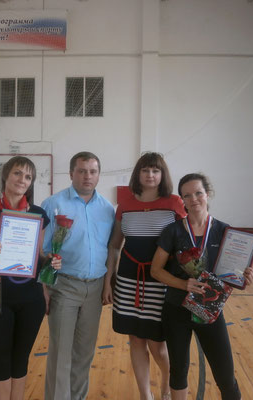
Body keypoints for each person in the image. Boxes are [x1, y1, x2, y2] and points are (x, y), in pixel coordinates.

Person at [150, 173, 253, 400]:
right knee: (179, 371)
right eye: (187, 195)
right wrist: (183, 284)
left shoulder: (225, 231)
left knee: (225, 375)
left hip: (210, 310)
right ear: (182, 200)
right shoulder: (173, 231)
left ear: (207, 194)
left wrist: (244, 277)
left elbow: (233, 275)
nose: (194, 199)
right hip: (176, 309)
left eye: (198, 193)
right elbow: (156, 270)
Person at [0, 156, 60, 400]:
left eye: (28, 177)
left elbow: (38, 256)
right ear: (6, 176)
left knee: (20, 360)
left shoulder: (38, 214)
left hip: (31, 299)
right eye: (18, 173)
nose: (22, 180)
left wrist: (51, 261)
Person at [104, 152, 186, 400]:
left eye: (155, 170)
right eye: (145, 170)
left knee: (157, 345)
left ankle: (166, 386)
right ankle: (145, 395)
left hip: (160, 282)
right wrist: (108, 281)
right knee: (136, 340)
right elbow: (115, 246)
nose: (150, 175)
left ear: (162, 174)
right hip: (128, 281)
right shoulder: (125, 205)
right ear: (137, 174)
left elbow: (187, 244)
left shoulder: (174, 203)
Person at [41, 151, 115, 400]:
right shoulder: (53, 204)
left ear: (99, 175)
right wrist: (44, 288)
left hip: (94, 289)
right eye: (82, 171)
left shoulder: (107, 209)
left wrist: (107, 284)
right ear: (71, 173)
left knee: (84, 354)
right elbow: (41, 251)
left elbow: (110, 249)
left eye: (92, 171)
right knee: (61, 353)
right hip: (64, 286)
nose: (87, 176)